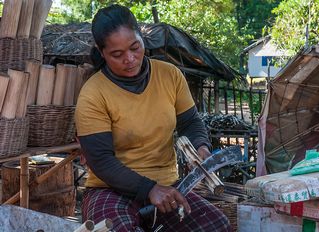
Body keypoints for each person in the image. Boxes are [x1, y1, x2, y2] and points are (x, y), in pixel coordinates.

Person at [75, 4, 232, 232]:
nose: (129, 59)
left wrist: (201, 148)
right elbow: (101, 161)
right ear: (102, 53)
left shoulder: (170, 75)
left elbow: (190, 122)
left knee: (217, 226)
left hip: (167, 185)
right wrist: (149, 189)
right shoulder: (93, 93)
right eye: (117, 55)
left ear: (142, 38)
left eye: (134, 47)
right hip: (109, 189)